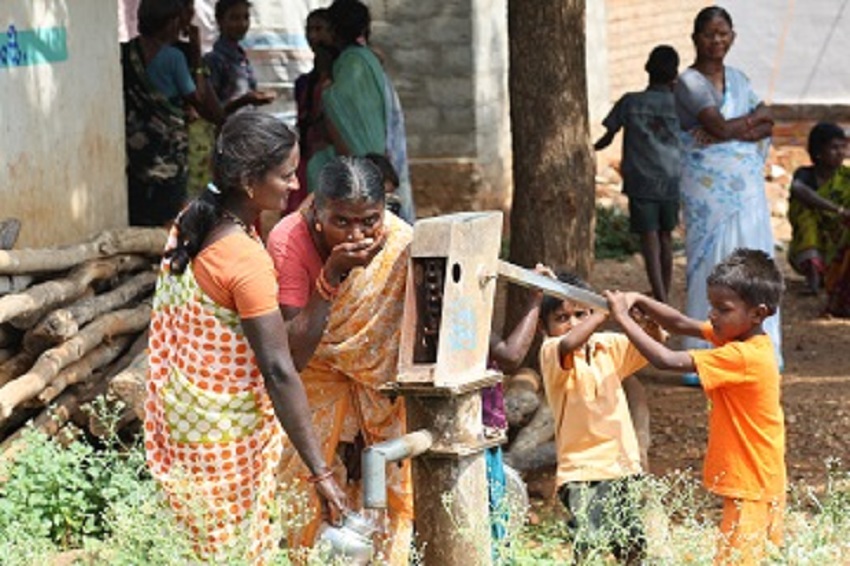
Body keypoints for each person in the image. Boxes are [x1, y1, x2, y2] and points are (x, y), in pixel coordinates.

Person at [144, 111, 348, 563]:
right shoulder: (243, 258)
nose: (294, 186)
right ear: (248, 180)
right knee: (231, 552)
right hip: (222, 436)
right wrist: (320, 472)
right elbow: (281, 367)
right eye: (285, 175)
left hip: (186, 419)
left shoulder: (195, 220)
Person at [266, 156, 413, 564]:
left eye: (370, 220)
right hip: (313, 380)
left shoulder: (400, 244)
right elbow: (293, 355)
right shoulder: (289, 241)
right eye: (342, 222)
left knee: (395, 493)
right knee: (302, 489)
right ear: (316, 211)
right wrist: (330, 277)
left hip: (380, 386)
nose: (358, 234)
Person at [605, 248, 786, 565]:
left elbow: (665, 360)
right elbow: (678, 323)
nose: (713, 315)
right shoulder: (740, 339)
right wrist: (640, 300)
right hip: (757, 481)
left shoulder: (742, 356)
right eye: (712, 306)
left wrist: (622, 318)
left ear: (758, 314)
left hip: (753, 484)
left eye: (723, 308)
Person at [674, 6, 781, 383]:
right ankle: (707, 355)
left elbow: (760, 122)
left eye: (723, 34)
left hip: (747, 188)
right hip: (707, 192)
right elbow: (716, 124)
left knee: (752, 260)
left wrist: (737, 128)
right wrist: (749, 123)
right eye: (709, 34)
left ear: (732, 37)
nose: (716, 41)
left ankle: (756, 349)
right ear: (695, 39)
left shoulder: (739, 79)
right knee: (712, 264)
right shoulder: (689, 82)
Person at [538, 272, 657, 564]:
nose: (573, 324)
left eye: (581, 314)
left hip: (621, 464)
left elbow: (652, 344)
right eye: (562, 318)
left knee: (632, 546)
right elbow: (568, 345)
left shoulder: (608, 345)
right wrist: (604, 311)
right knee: (588, 548)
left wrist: (645, 322)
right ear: (545, 327)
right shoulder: (552, 350)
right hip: (581, 470)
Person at [306, 0, 416, 224]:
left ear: (334, 30)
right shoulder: (364, 60)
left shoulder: (352, 66)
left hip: (366, 166)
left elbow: (345, 129)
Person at [121, 0, 223, 227]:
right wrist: (196, 55)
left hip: (134, 147)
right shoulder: (174, 57)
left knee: (139, 208)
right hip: (167, 151)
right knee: (168, 210)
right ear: (171, 22)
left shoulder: (127, 52)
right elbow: (196, 97)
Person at [594, 45, 682, 304]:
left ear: (647, 69)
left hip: (640, 182)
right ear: (674, 76)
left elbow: (607, 136)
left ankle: (660, 295)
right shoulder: (679, 105)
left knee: (650, 238)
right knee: (666, 237)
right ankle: (662, 296)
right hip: (671, 181)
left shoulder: (630, 102)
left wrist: (589, 149)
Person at [187, 0, 277, 200]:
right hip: (224, 142)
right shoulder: (215, 60)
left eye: (245, 17)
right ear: (219, 21)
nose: (242, 23)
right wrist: (245, 100)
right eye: (234, 18)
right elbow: (211, 111)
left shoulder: (239, 56)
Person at [787, 122, 850, 305]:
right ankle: (813, 275)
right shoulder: (805, 174)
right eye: (833, 147)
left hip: (837, 242)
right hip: (807, 247)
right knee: (806, 211)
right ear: (818, 152)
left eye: (843, 147)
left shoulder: (846, 178)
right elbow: (798, 190)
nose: (840, 152)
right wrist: (837, 210)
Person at [293, 8, 337, 215]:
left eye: (319, 29)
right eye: (309, 30)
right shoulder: (304, 83)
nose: (313, 37)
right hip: (310, 157)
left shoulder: (343, 78)